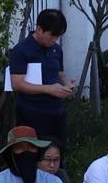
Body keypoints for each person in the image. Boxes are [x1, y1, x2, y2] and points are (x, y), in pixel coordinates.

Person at [8, 9, 75, 148]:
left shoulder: (56, 49)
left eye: (57, 37)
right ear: (39, 29)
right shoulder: (21, 50)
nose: (54, 40)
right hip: (31, 113)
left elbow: (60, 73)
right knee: (33, 154)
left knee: (56, 153)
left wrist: (66, 85)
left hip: (56, 113)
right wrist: (48, 89)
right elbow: (17, 84)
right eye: (52, 36)